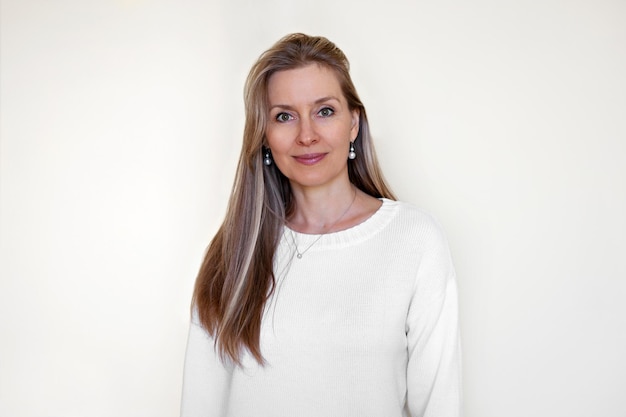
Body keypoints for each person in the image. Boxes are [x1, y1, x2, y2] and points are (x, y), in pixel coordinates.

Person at [181, 33, 462, 417]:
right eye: (284, 116)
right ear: (264, 136)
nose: (307, 134)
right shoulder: (235, 252)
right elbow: (200, 405)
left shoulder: (414, 240)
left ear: (354, 123)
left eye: (325, 111)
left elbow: (440, 406)